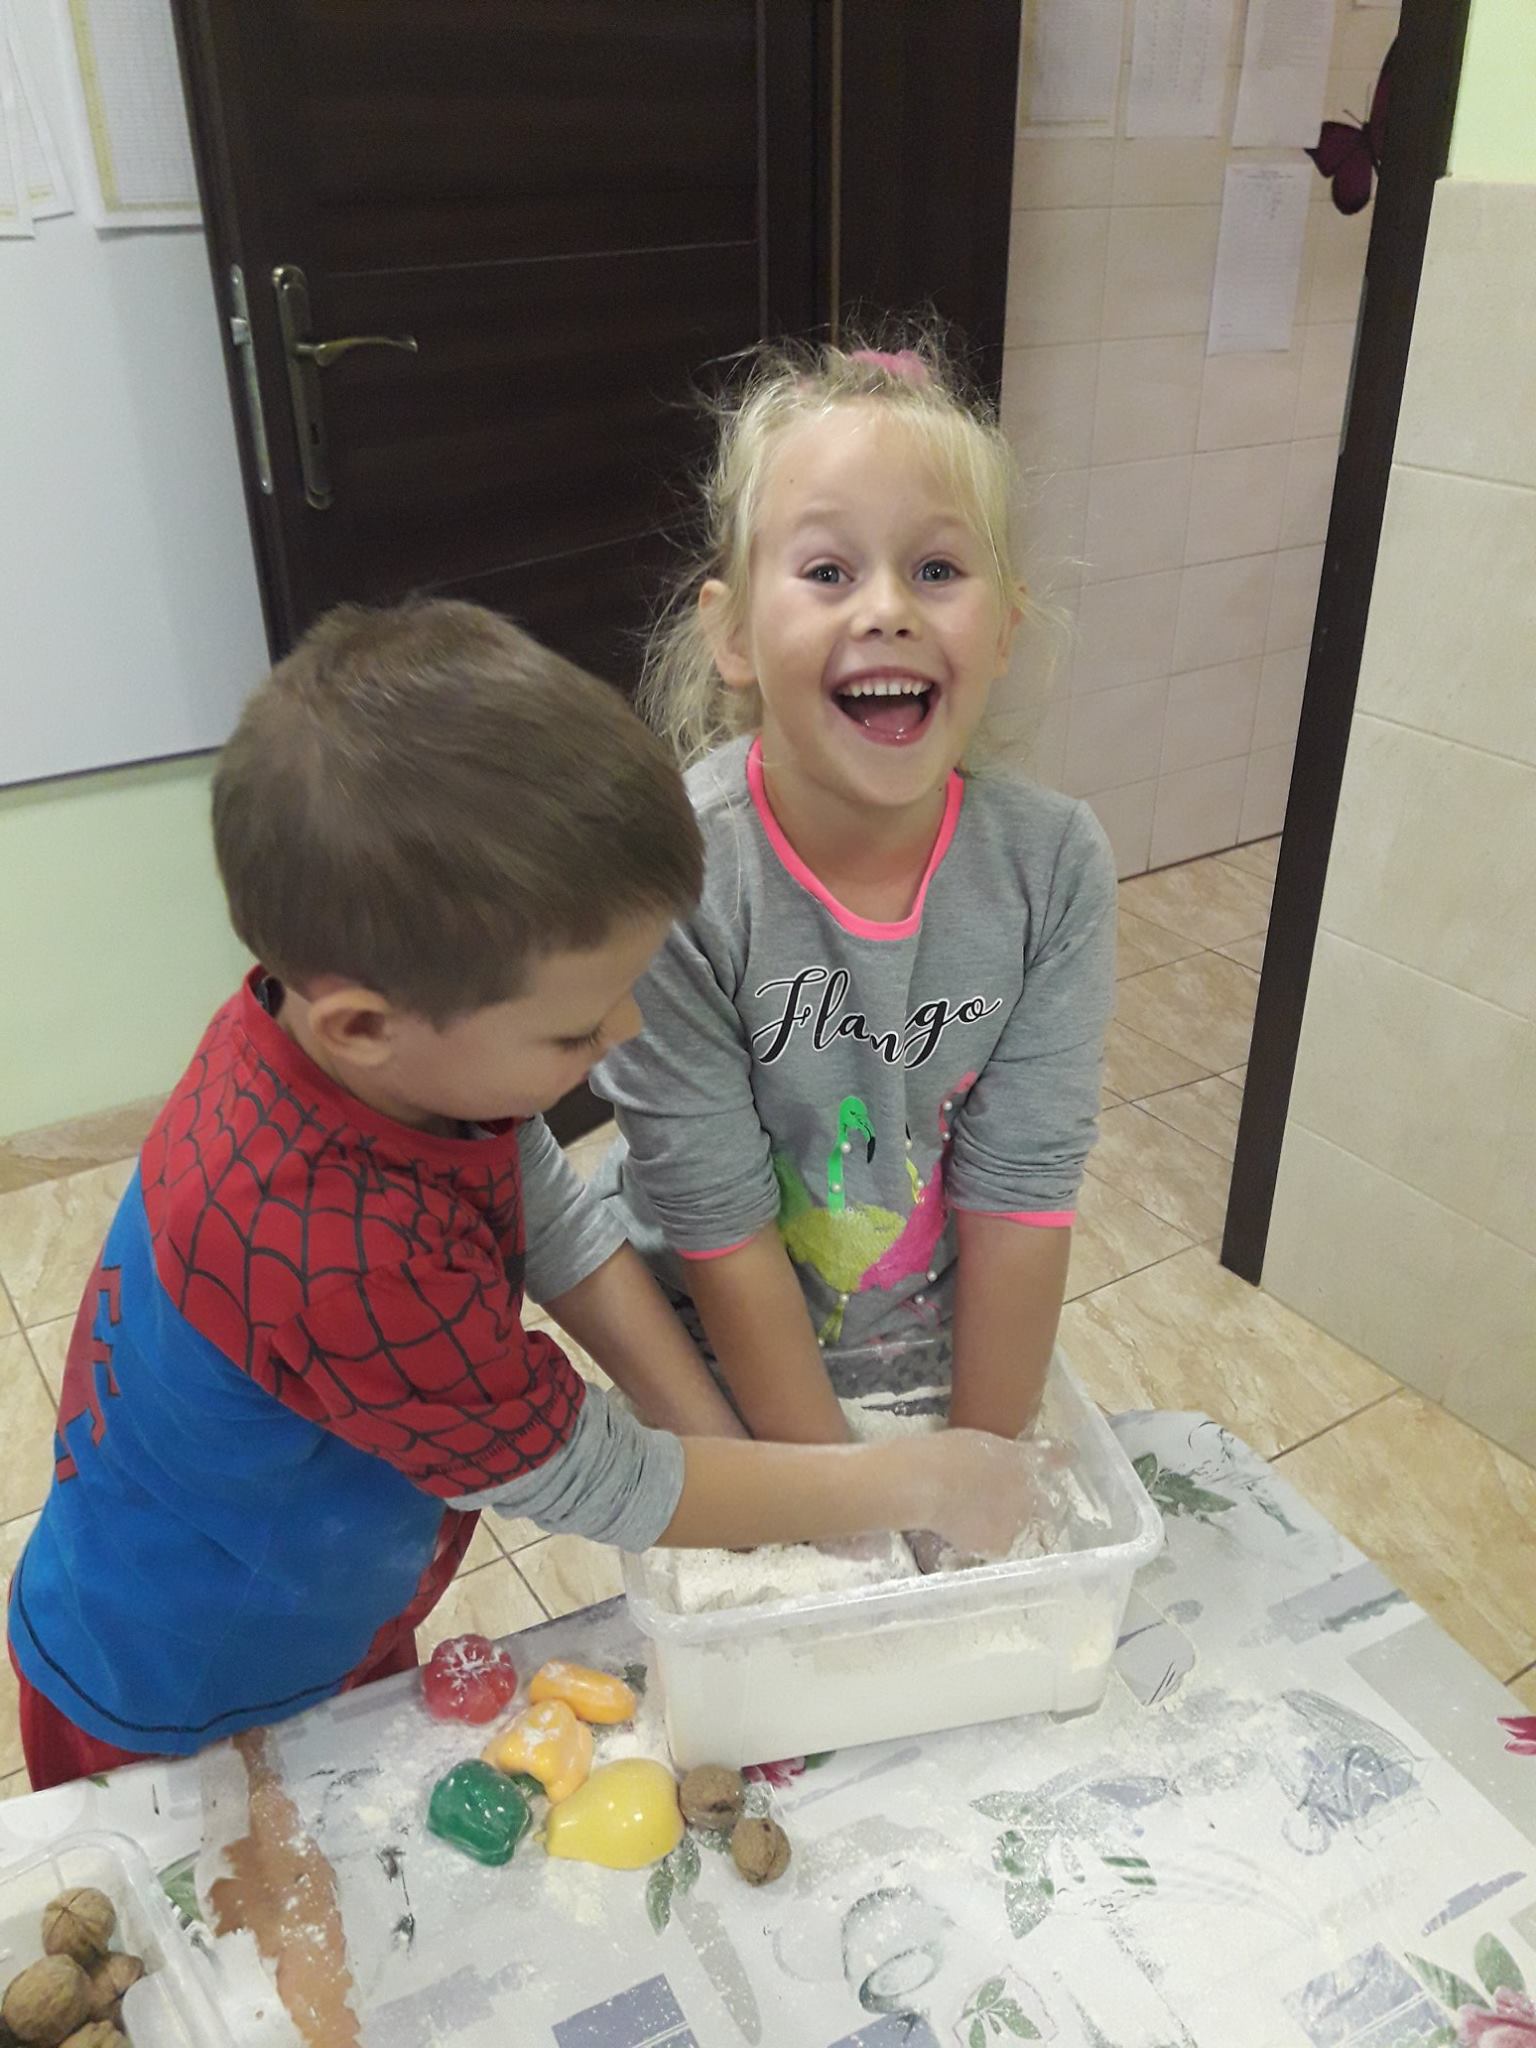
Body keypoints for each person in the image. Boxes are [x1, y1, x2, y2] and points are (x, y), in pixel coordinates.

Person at [6, 599, 1049, 1791]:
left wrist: (734, 1448)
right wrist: (904, 1478)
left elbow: (538, 1199)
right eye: (573, 1029)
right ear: (364, 1024)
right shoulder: (339, 1249)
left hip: (320, 1579)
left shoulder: (357, 1039)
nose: (626, 1030)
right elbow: (588, 1472)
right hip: (184, 1680)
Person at [593, 338, 1117, 1445]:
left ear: (1006, 629)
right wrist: (843, 1499)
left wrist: (978, 1465)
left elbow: (1020, 1195)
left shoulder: (1054, 868)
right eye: (829, 572)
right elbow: (720, 1223)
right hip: (715, 1357)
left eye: (937, 570)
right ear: (732, 633)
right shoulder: (676, 876)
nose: (887, 609)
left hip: (924, 1342)